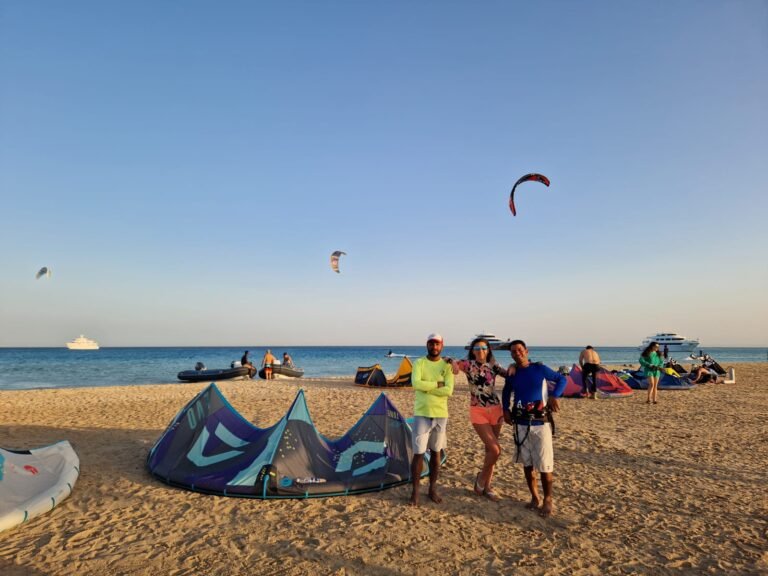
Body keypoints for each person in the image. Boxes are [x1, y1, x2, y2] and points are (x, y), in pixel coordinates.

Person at [502, 340, 567, 518]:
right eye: (514, 351)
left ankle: (548, 499)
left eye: (520, 350)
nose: (517, 353)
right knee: (527, 463)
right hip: (520, 423)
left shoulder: (540, 369)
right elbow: (506, 392)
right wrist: (505, 410)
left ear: (526, 351)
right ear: (511, 355)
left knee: (545, 464)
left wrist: (555, 396)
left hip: (540, 423)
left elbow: (561, 379)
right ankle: (534, 497)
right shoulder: (512, 373)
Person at [446, 337, 508, 501]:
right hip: (477, 410)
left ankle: (487, 486)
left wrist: (515, 367)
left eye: (483, 348)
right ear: (473, 351)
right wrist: (452, 361)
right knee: (495, 449)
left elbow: (510, 376)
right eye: (477, 348)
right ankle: (481, 478)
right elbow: (447, 361)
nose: (481, 351)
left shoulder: (494, 366)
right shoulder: (468, 365)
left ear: (488, 350)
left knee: (490, 451)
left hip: (496, 409)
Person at [409, 333, 454, 507]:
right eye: (431, 344)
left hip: (441, 414)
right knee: (418, 453)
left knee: (436, 452)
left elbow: (449, 390)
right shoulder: (419, 363)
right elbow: (415, 384)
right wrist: (437, 384)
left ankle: (432, 489)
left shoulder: (447, 366)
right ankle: (415, 491)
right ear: (427, 345)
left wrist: (427, 387)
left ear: (442, 345)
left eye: (437, 344)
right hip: (422, 413)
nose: (434, 347)